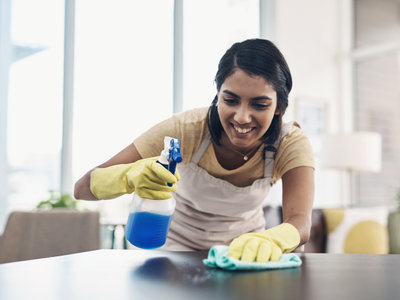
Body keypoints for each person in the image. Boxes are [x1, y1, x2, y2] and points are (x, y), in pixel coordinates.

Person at [74, 38, 315, 263]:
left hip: (243, 252)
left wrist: (272, 239)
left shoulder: (289, 143)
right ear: (217, 96)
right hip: (171, 250)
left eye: (259, 104)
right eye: (230, 100)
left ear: (278, 108)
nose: (242, 117)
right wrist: (128, 176)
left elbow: (300, 222)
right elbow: (82, 188)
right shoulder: (186, 130)